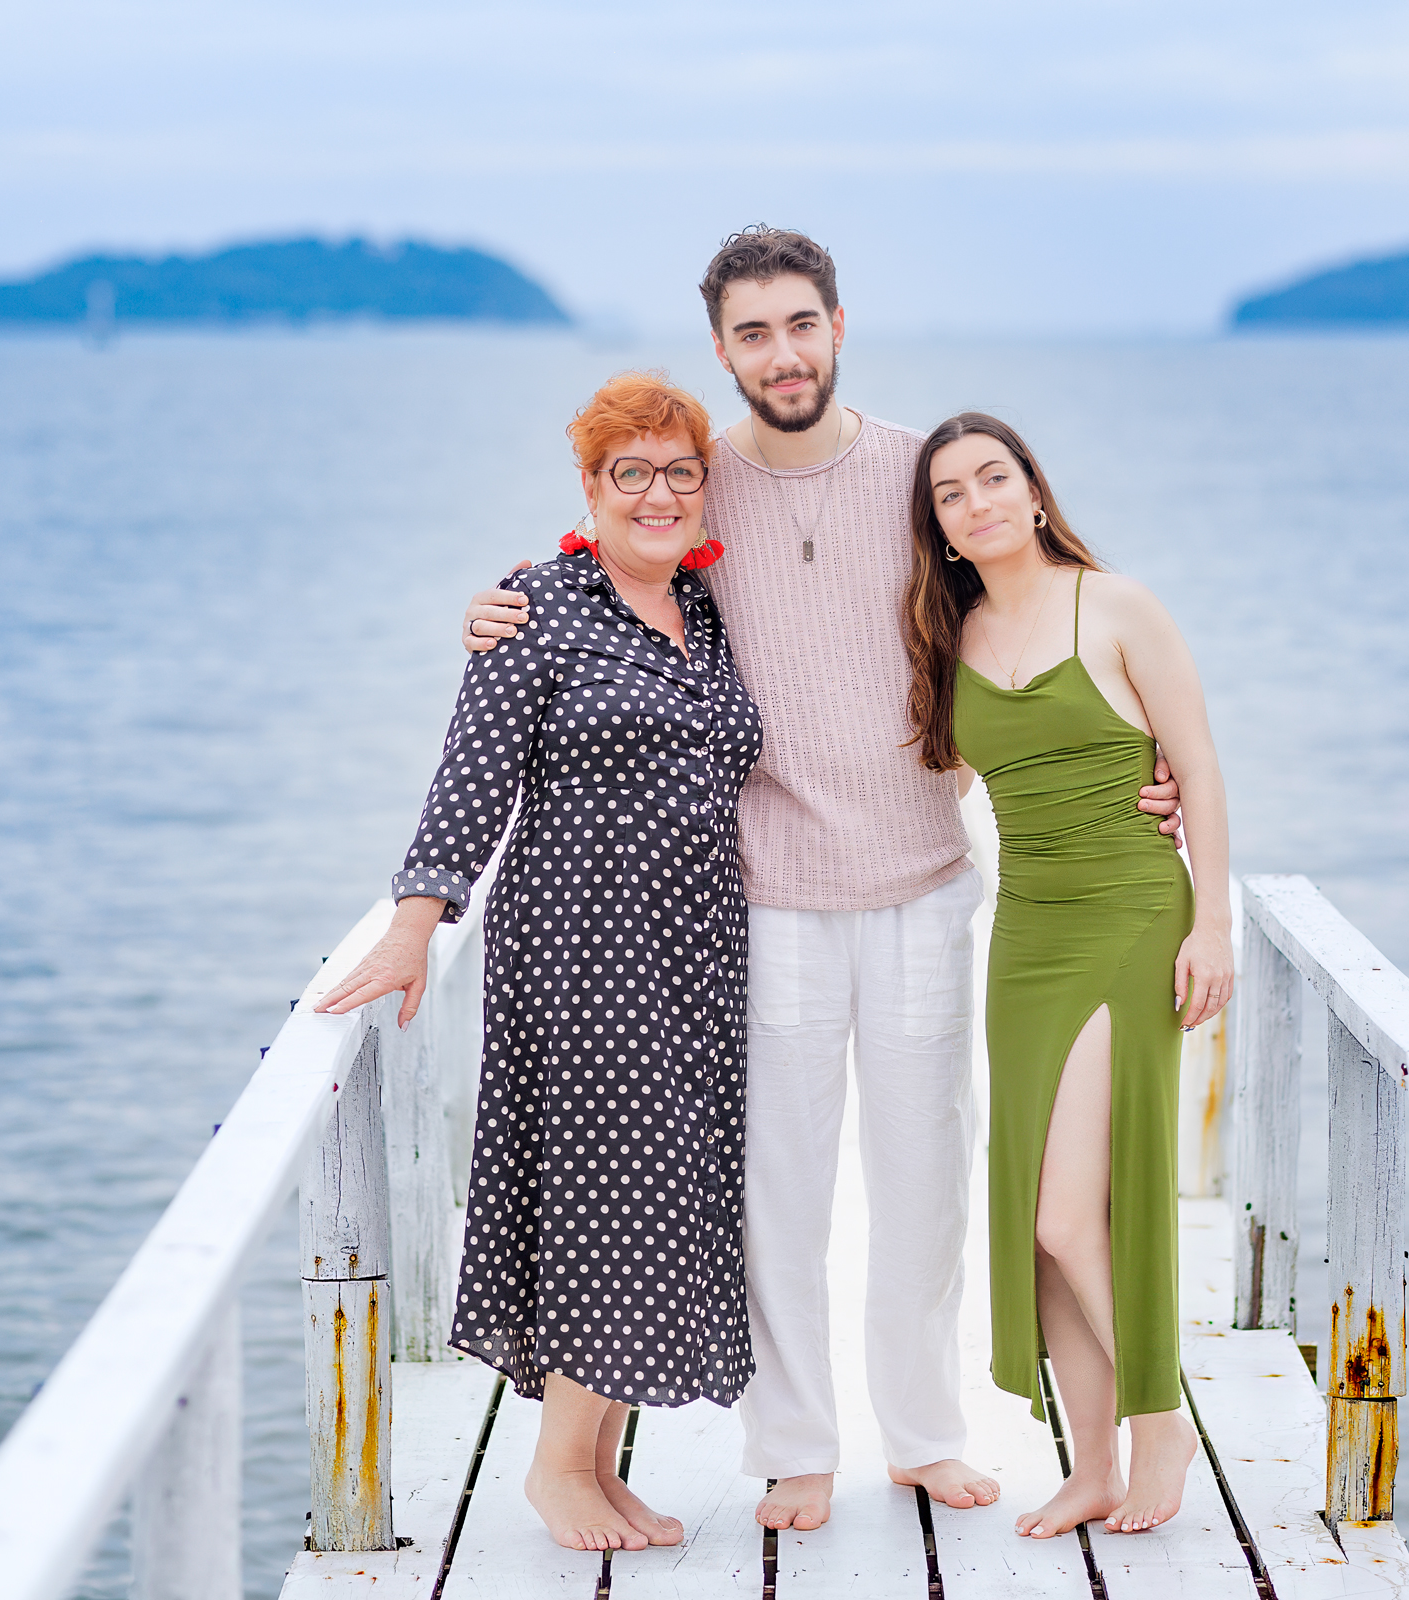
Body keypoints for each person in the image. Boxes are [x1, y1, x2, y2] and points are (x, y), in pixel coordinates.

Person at [460, 227, 1185, 1533]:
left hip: (924, 880)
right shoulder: (705, 484)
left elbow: (1038, 596)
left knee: (924, 1182)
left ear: (838, 326)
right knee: (781, 1194)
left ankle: (924, 1435)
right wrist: (502, 597)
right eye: (753, 333)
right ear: (723, 348)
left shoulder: (917, 474)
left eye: (800, 324)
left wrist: (1142, 753)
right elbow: (615, 545)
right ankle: (794, 1445)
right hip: (768, 894)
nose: (781, 353)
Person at [316, 372, 763, 1553]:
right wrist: (416, 919)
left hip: (697, 957)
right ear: (591, 486)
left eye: (679, 471)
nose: (658, 493)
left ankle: (599, 1463)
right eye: (631, 472)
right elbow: (472, 775)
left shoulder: (707, 609)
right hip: (582, 950)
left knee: (661, 1194)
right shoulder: (538, 606)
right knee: (609, 1196)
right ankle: (559, 1467)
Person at [903, 411, 1234, 1537]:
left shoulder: (1118, 605)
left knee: (1062, 1215)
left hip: (1130, 915)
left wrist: (1214, 924)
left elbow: (1197, 766)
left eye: (993, 477)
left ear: (1033, 490)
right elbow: (928, 782)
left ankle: (1162, 1416)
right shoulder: (947, 638)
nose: (977, 502)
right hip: (1027, 932)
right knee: (1042, 1216)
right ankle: (1093, 1466)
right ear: (940, 527)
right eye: (950, 493)